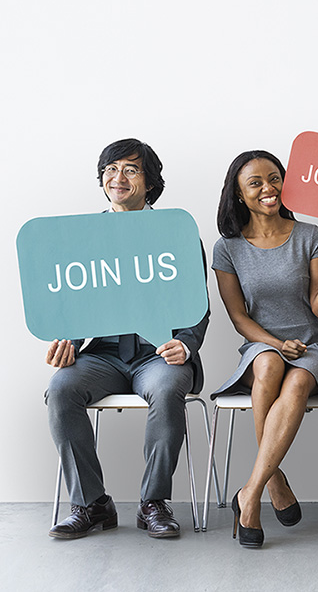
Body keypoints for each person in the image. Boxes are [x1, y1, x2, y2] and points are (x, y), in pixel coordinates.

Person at [45, 138, 210, 540]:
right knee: (61, 389)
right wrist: (64, 341)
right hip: (100, 356)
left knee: (168, 388)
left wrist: (186, 345)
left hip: (158, 355)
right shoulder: (85, 239)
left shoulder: (177, 234)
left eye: (131, 170)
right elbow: (71, 300)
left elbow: (199, 305)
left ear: (150, 183)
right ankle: (92, 504)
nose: (118, 177)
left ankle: (153, 503)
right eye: (111, 169)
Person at [213, 150, 318, 548]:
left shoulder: (310, 235)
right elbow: (239, 317)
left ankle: (251, 492)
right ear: (239, 194)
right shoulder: (227, 247)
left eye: (275, 178)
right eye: (256, 182)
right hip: (260, 344)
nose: (269, 188)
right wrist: (277, 343)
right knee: (267, 367)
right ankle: (274, 479)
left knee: (296, 384)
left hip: (310, 346)